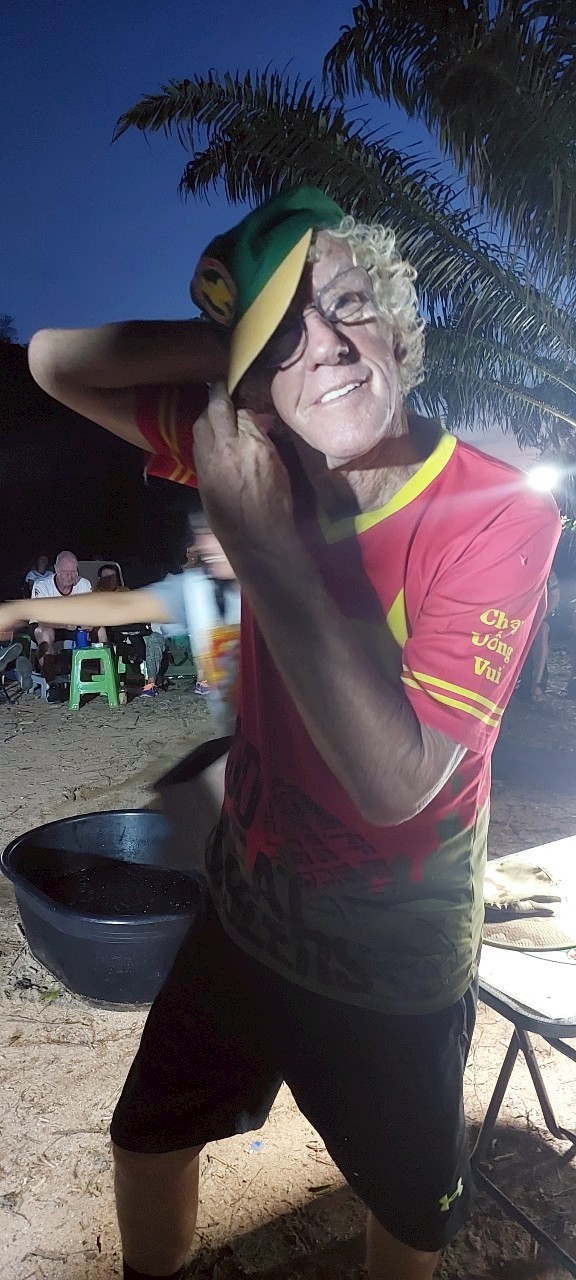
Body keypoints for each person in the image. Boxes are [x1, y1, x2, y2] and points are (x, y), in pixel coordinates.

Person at [27, 188, 560, 1280]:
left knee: (405, 1211)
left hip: (393, 958)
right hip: (247, 912)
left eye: (352, 305)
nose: (327, 347)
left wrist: (262, 538)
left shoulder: (498, 511)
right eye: (286, 335)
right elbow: (52, 362)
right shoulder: (267, 444)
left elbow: (397, 782)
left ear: (399, 328)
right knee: (147, 1136)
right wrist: (237, 341)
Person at [31, 550, 91, 682]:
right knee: (46, 634)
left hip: (73, 625)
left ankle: (102, 674)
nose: (69, 576)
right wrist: (65, 624)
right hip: (45, 625)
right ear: (56, 569)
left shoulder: (84, 584)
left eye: (73, 572)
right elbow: (41, 620)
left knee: (99, 630)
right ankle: (50, 682)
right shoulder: (42, 586)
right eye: (65, 572)